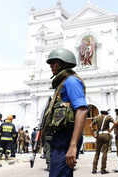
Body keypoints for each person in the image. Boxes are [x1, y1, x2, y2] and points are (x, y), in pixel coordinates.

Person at [41, 48, 88, 177]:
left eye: (54, 63)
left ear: (64, 64)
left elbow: (82, 110)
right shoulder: (61, 84)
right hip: (59, 138)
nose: (51, 66)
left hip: (67, 138)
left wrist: (73, 145)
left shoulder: (71, 81)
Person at [90, 110, 114, 174]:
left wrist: (93, 134)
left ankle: (94, 169)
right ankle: (103, 169)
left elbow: (90, 126)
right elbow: (116, 123)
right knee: (104, 152)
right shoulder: (108, 117)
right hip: (106, 135)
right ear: (106, 113)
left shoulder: (97, 117)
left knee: (97, 152)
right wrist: (110, 130)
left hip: (99, 135)